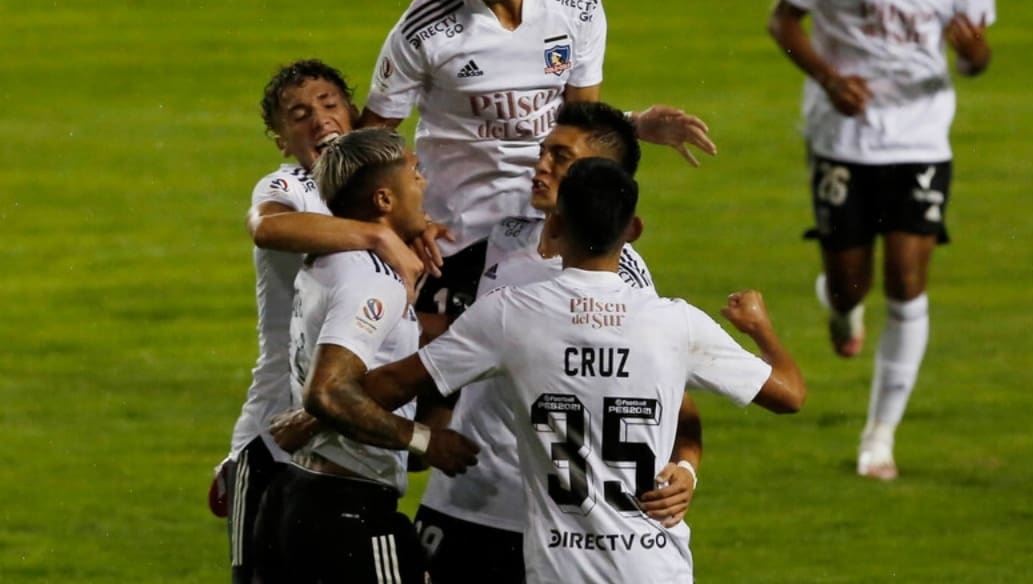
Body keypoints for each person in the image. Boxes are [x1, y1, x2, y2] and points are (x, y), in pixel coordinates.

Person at [358, 158, 806, 583]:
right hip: (656, 569)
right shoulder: (676, 323)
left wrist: (331, 394)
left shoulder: (510, 316)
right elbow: (789, 395)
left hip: (559, 569)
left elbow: (384, 387)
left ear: (554, 226)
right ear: (632, 230)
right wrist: (761, 330)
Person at [358, 0, 716, 342]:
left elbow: (578, 131)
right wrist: (411, 221)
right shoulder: (427, 27)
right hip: (456, 239)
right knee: (445, 390)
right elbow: (368, 143)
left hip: (550, 233)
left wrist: (631, 125)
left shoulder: (577, 6)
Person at [766, 0, 995, 481]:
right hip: (844, 135)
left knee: (906, 279)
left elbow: (975, 57)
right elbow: (783, 21)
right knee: (847, 284)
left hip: (922, 138)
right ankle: (839, 309)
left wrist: (977, 53)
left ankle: (879, 438)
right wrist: (830, 78)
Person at [411, 101, 703, 583]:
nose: (541, 165)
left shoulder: (624, 285)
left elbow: (672, 399)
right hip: (466, 502)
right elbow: (438, 355)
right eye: (543, 152)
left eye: (560, 158)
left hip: (556, 527)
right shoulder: (496, 242)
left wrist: (687, 469)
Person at [212, 59, 425, 583]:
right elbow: (267, 227)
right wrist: (378, 236)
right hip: (275, 439)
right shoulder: (289, 186)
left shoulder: (391, 196)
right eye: (299, 114)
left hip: (343, 445)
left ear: (355, 115)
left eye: (330, 104)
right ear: (282, 140)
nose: (319, 119)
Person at [252, 128, 479, 584]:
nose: (425, 184)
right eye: (415, 175)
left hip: (301, 496)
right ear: (383, 200)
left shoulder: (331, 258)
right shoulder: (371, 277)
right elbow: (329, 391)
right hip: (346, 516)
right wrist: (424, 440)